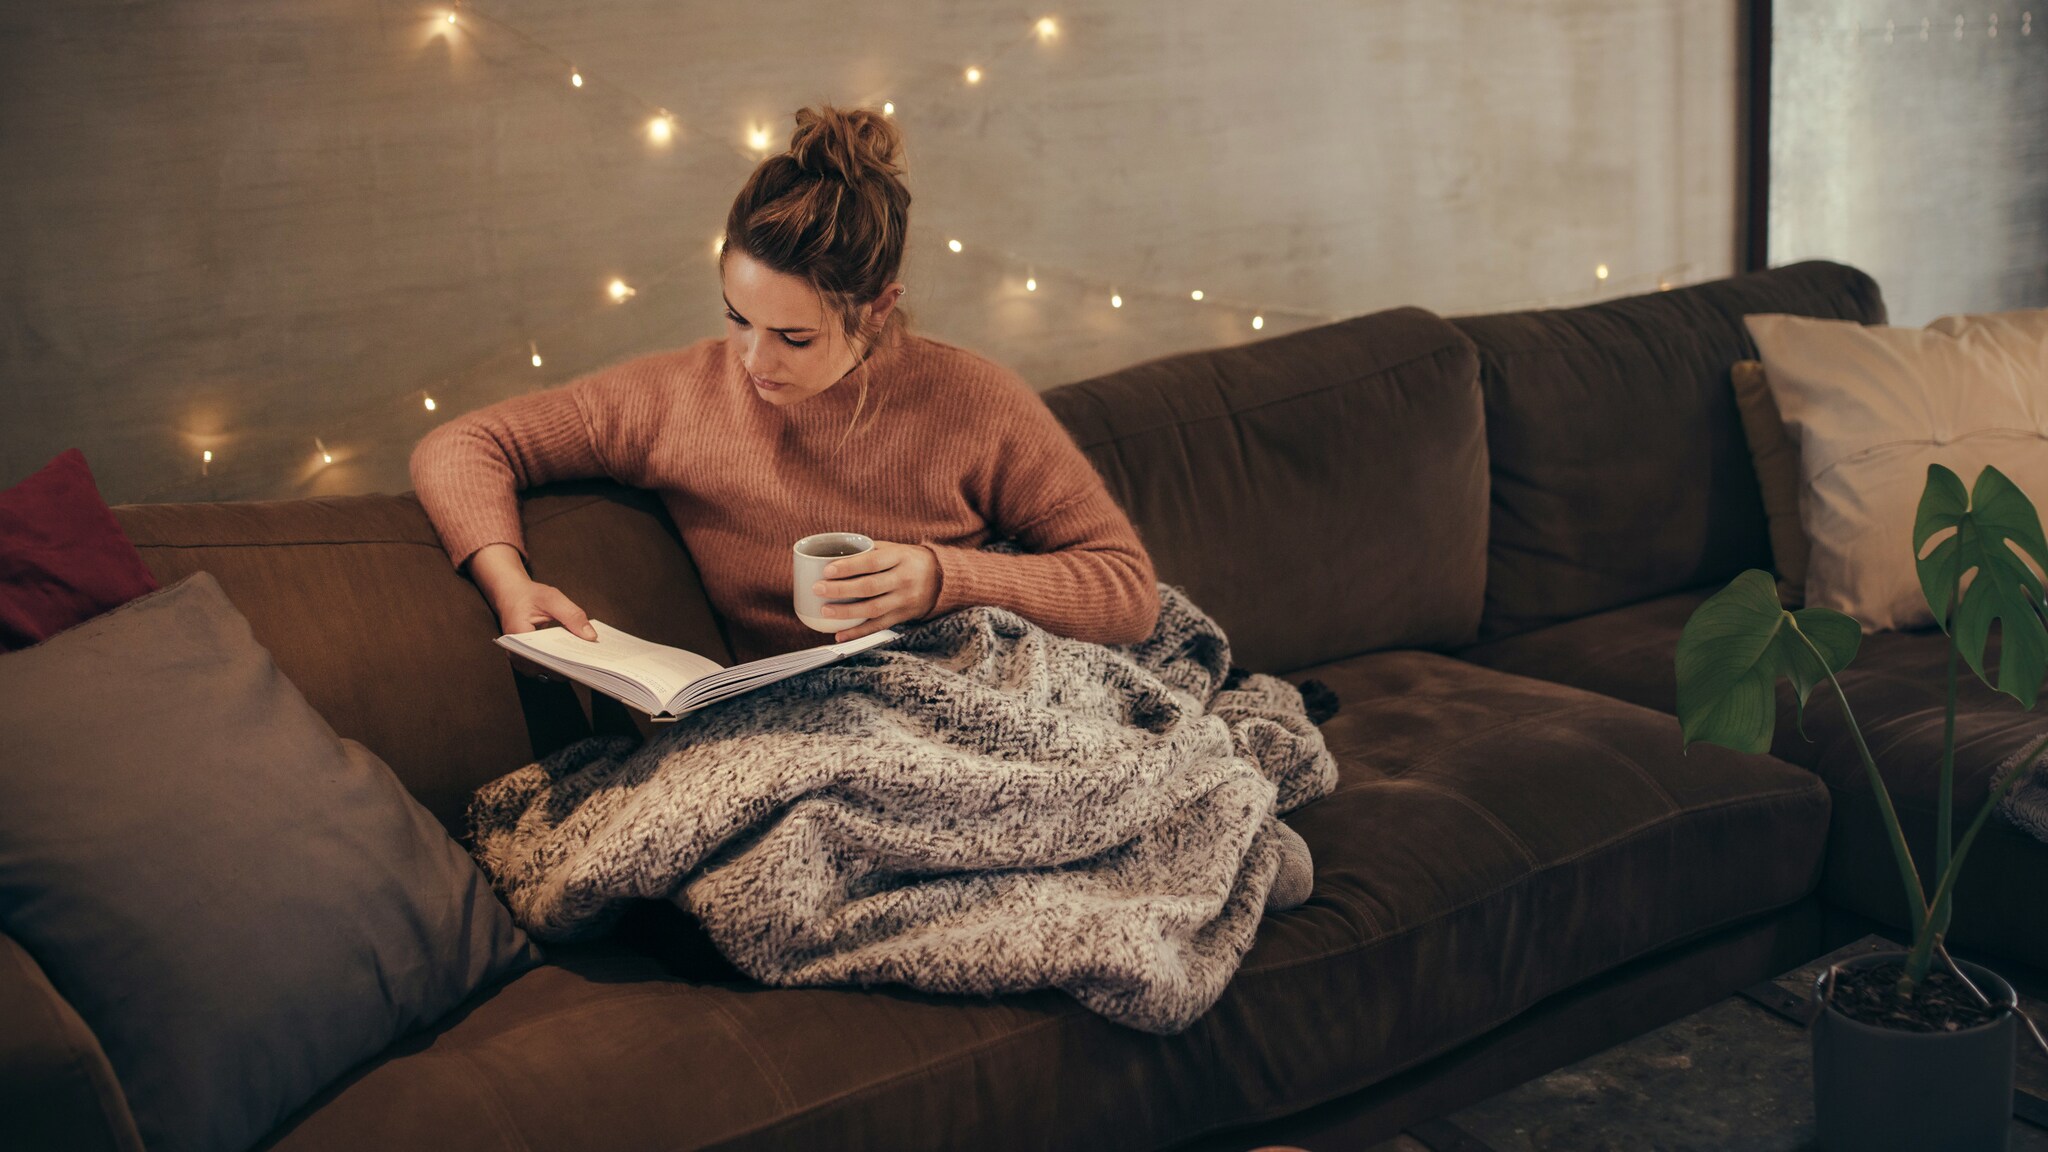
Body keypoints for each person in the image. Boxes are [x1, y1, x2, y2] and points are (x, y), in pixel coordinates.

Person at [410, 104, 1159, 663]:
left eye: (795, 337)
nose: (753, 360)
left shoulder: (976, 402)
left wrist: (943, 577)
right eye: (738, 318)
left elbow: (1128, 593)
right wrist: (509, 582)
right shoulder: (676, 398)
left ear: (876, 309)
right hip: (802, 726)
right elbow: (463, 444)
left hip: (973, 689)